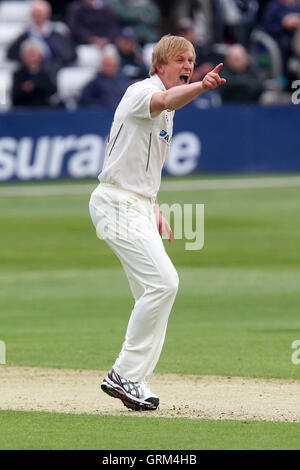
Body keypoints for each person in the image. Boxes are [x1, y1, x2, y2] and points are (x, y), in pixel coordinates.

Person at [89, 35, 225, 411]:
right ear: (161, 64)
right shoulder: (140, 92)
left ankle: (136, 378)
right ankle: (123, 373)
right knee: (165, 283)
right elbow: (164, 99)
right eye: (181, 59)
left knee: (151, 295)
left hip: (137, 204)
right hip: (115, 203)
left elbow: (147, 165)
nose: (188, 65)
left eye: (192, 60)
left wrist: (154, 206)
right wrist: (202, 85)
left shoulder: (170, 112)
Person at [7, 0, 77, 75]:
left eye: (40, 13)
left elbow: (70, 55)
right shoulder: (25, 35)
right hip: (33, 73)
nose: (38, 16)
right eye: (36, 14)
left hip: (54, 71)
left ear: (48, 14)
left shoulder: (57, 33)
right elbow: (11, 54)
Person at [12, 38, 57, 108]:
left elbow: (52, 89)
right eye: (29, 55)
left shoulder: (45, 72)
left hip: (43, 111)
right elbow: (14, 97)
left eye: (34, 55)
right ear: (23, 57)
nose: (32, 58)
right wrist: (24, 89)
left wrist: (35, 84)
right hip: (24, 111)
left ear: (40, 56)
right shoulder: (18, 74)